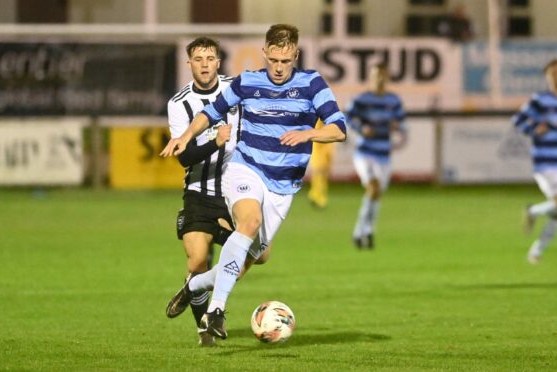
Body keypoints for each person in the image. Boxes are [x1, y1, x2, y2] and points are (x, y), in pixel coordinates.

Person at [160, 24, 346, 340]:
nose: (278, 67)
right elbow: (212, 111)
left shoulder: (312, 84)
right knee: (249, 222)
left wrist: (309, 133)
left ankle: (195, 285)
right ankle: (214, 312)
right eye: (273, 59)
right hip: (245, 170)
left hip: (283, 186)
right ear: (264, 53)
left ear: (296, 56)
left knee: (248, 259)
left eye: (285, 61)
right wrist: (186, 136)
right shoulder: (248, 82)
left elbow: (339, 128)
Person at [164, 36, 239, 346]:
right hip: (198, 191)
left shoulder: (236, 89)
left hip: (236, 190)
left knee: (260, 255)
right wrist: (215, 142)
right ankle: (205, 330)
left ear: (218, 62)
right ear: (189, 64)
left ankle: (193, 288)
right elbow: (185, 156)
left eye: (210, 58)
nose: (205, 64)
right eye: (199, 59)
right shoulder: (179, 103)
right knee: (197, 261)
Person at [513, 59, 557, 264]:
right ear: (547, 77)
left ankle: (536, 250)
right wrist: (533, 130)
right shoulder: (540, 100)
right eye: (553, 73)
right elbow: (517, 121)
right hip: (543, 162)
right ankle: (533, 212)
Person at [346, 63, 406, 250]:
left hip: (384, 154)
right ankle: (360, 231)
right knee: (373, 188)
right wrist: (361, 129)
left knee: (376, 194)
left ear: (387, 78)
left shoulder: (393, 100)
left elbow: (402, 124)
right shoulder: (362, 99)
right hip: (365, 153)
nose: (379, 79)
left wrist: (398, 127)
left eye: (382, 75)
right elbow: (346, 117)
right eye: (376, 75)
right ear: (371, 78)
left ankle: (367, 231)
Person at [307, 120, 336, 209]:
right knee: (319, 170)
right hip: (318, 142)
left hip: (328, 142)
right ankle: (318, 197)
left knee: (324, 171)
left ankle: (315, 194)